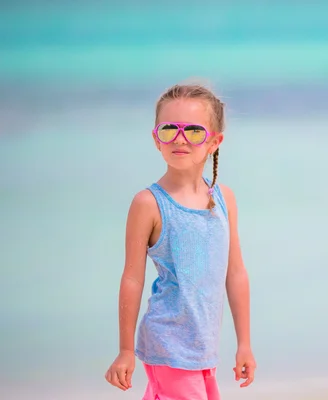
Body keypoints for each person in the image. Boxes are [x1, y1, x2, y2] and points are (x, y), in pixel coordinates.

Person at [105, 82, 256, 399]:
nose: (180, 139)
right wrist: (125, 349)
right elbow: (132, 277)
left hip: (204, 349)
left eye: (194, 131)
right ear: (155, 138)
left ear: (214, 141)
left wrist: (244, 344)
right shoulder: (148, 203)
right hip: (167, 344)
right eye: (169, 129)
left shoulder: (224, 199)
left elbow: (236, 273)